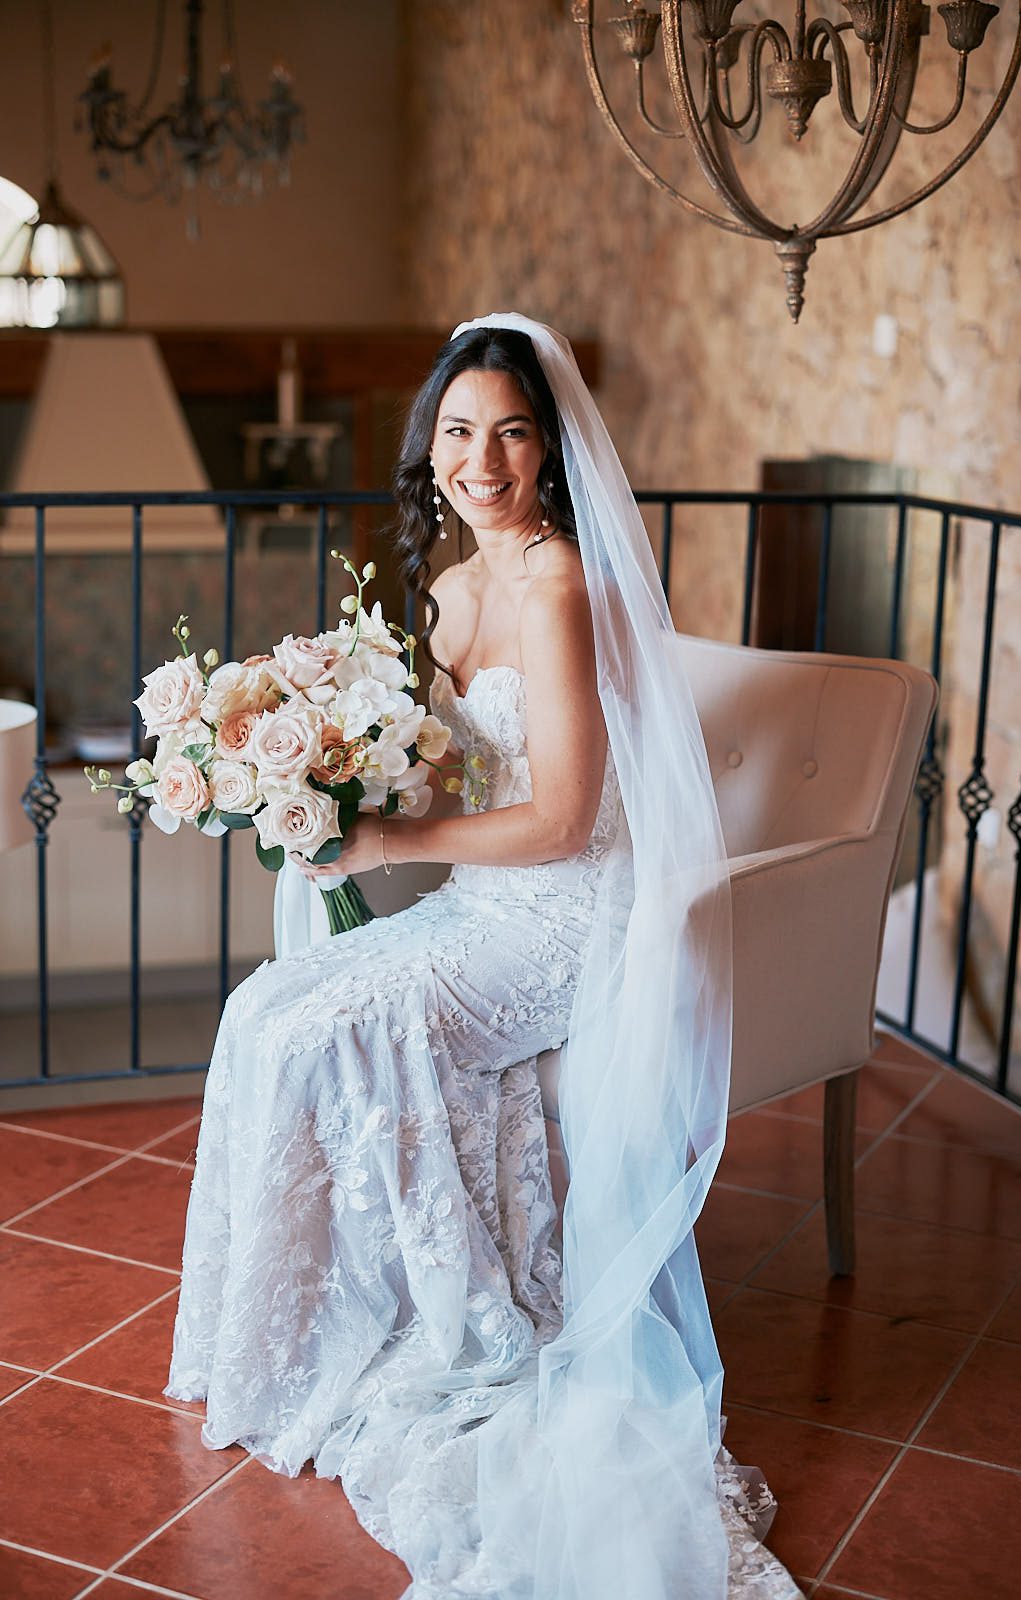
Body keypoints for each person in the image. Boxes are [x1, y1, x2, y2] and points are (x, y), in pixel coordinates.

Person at [166, 315, 802, 1600]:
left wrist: (389, 831)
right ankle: (289, 1335)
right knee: (263, 1009)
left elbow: (563, 818)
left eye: (512, 432)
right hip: (477, 906)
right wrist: (315, 770)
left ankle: (413, 1329)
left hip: (566, 922)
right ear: (432, 449)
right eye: (459, 432)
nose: (483, 459)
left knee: (333, 1028)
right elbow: (454, 762)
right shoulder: (452, 590)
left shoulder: (560, 581)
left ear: (549, 450)